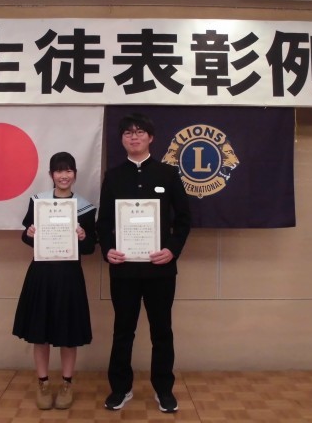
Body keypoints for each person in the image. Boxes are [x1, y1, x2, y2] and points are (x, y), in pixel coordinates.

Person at [97, 113, 191, 413]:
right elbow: (103, 223)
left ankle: (164, 389)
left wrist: (172, 250)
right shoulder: (113, 176)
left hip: (160, 269)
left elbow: (184, 219)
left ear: (151, 137)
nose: (134, 137)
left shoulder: (167, 174)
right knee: (123, 331)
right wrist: (108, 250)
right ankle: (120, 388)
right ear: (121, 139)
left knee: (161, 331)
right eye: (128, 132)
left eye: (139, 132)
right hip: (123, 269)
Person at [12, 152, 96, 410]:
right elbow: (26, 238)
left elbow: (90, 248)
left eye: (68, 170)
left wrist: (83, 237)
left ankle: (67, 384)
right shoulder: (38, 202)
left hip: (69, 276)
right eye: (59, 171)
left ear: (75, 175)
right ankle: (43, 384)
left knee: (68, 334)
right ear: (51, 175)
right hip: (42, 274)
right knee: (41, 333)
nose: (63, 175)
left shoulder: (85, 207)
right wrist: (30, 233)